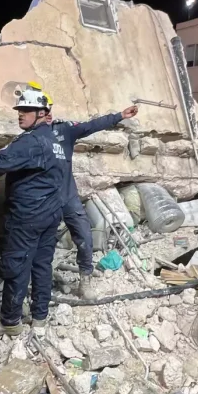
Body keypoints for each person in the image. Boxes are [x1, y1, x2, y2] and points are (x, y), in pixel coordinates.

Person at [0, 83, 67, 338]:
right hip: (50, 214)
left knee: (16, 266)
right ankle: (40, 317)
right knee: (42, 265)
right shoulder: (53, 140)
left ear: (41, 113)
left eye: (26, 110)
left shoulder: (30, 142)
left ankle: (10, 322)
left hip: (27, 217)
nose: (20, 114)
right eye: (19, 110)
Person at [50, 104, 139, 297]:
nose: (46, 114)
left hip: (67, 195)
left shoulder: (62, 130)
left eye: (47, 110)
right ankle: (40, 284)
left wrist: (119, 116)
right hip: (44, 200)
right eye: (40, 111)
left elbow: (91, 125)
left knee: (84, 235)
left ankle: (85, 280)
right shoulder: (29, 139)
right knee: (44, 242)